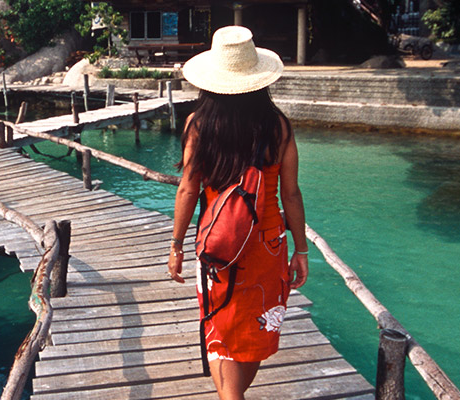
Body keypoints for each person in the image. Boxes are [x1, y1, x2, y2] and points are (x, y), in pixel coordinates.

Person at [166, 26, 309, 400]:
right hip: (268, 245)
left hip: (218, 244)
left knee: (219, 324)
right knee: (255, 329)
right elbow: (290, 193)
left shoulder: (199, 125)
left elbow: (188, 188)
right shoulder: (277, 127)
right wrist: (301, 249)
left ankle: (231, 397)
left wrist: (177, 245)